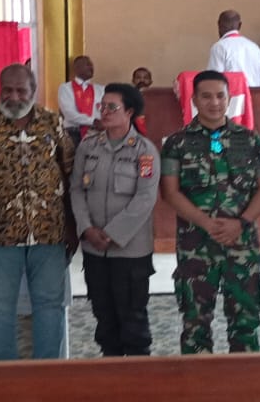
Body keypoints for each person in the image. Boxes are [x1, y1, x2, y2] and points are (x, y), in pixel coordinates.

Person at [0, 63, 75, 360]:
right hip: (0, 235)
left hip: (49, 233)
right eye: (7, 90)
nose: (13, 96)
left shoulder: (53, 123)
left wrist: (73, 226)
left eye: (21, 90)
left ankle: (46, 377)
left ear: (33, 92)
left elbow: (70, 172)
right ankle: (4, 379)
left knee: (49, 305)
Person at [160, 70, 260, 354]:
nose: (214, 102)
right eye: (206, 96)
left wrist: (242, 222)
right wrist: (206, 223)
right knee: (195, 322)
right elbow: (169, 192)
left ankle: (244, 385)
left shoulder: (250, 140)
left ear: (229, 98)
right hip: (195, 245)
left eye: (220, 96)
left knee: (245, 320)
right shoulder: (177, 142)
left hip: (241, 243)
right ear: (195, 99)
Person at [71, 82, 159, 356]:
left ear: (129, 112)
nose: (105, 112)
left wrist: (111, 234)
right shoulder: (88, 147)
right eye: (103, 106)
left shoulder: (144, 151)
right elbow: (76, 189)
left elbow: (145, 198)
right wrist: (87, 229)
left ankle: (137, 383)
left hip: (129, 251)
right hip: (94, 249)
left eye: (112, 107)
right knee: (103, 317)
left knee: (133, 320)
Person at [206, 10, 260, 88]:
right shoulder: (255, 48)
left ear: (219, 24)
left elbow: (213, 79)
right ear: (240, 25)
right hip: (254, 97)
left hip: (233, 97)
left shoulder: (219, 47)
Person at [58, 55, 105, 148]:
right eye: (88, 64)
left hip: (95, 133)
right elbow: (69, 113)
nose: (91, 67)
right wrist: (93, 121)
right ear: (77, 68)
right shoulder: (65, 88)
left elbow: (104, 110)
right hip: (73, 133)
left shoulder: (100, 89)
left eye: (91, 65)